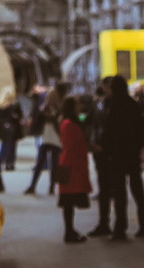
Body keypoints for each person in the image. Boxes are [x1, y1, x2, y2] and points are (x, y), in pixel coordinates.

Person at [101, 75, 144, 241]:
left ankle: (120, 227)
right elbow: (143, 131)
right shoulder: (133, 105)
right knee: (137, 190)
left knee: (120, 193)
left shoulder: (114, 106)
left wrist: (106, 150)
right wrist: (137, 147)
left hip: (117, 156)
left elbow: (108, 130)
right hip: (132, 155)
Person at [56, 96, 91, 244]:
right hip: (72, 167)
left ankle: (70, 230)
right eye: (77, 104)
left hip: (73, 165)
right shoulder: (68, 124)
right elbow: (69, 147)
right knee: (69, 201)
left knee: (69, 201)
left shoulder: (69, 122)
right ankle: (69, 232)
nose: (80, 106)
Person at [25, 81, 67, 196]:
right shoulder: (59, 103)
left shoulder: (56, 103)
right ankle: (50, 187)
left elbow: (41, 116)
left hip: (49, 134)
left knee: (44, 161)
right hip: (52, 134)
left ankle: (36, 186)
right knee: (52, 161)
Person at [87, 79, 114, 237]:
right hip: (112, 153)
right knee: (117, 190)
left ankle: (105, 223)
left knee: (105, 190)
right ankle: (119, 225)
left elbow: (101, 128)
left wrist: (99, 145)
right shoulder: (104, 104)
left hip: (104, 152)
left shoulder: (102, 105)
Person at [0, 99, 22, 171]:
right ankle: (9, 163)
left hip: (4, 128)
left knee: (4, 145)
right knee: (11, 146)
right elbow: (19, 116)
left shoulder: (1, 105)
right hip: (13, 127)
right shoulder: (15, 105)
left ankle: (0, 162)